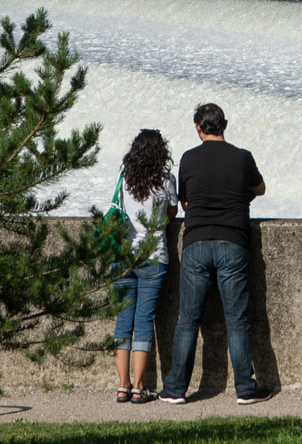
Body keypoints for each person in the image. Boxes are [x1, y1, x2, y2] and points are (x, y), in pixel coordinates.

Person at [159, 102, 266, 405]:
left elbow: (186, 204)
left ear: (197, 127)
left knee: (187, 321)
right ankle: (245, 389)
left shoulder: (188, 159)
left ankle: (176, 389)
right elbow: (261, 189)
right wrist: (239, 197)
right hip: (233, 242)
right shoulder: (242, 158)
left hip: (195, 243)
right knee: (238, 320)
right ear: (225, 125)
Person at [107, 129, 178, 403]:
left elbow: (114, 208)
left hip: (123, 255)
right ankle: (139, 387)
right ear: (160, 152)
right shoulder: (165, 179)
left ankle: (122, 386)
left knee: (123, 322)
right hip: (154, 255)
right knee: (144, 321)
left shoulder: (123, 177)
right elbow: (172, 213)